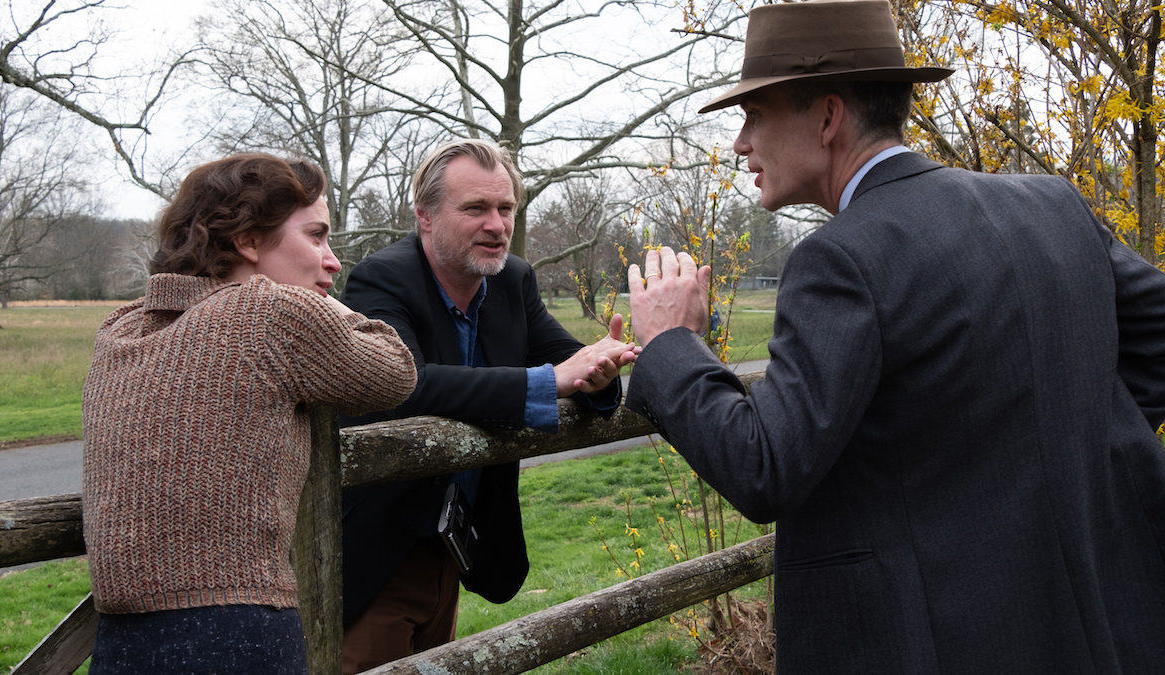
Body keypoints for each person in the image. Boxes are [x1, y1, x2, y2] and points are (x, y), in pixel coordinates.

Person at [624, 1, 1165, 673]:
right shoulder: (1052, 203)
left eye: (755, 114)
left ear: (827, 117)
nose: (740, 143)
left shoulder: (841, 258)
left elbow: (764, 467)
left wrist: (671, 341)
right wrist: (1067, 452)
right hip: (1095, 626)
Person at [81, 153, 417, 674]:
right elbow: (394, 372)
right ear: (249, 241)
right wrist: (333, 308)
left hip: (121, 642)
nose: (332, 261)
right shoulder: (266, 312)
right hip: (236, 632)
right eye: (316, 237)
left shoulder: (120, 331)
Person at [338, 138, 639, 672]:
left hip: (453, 547)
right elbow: (405, 383)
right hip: (381, 550)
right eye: (475, 208)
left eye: (505, 209)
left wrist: (600, 370)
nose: (496, 225)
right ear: (425, 217)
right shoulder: (381, 279)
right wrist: (546, 382)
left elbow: (569, 357)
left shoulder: (512, 282)